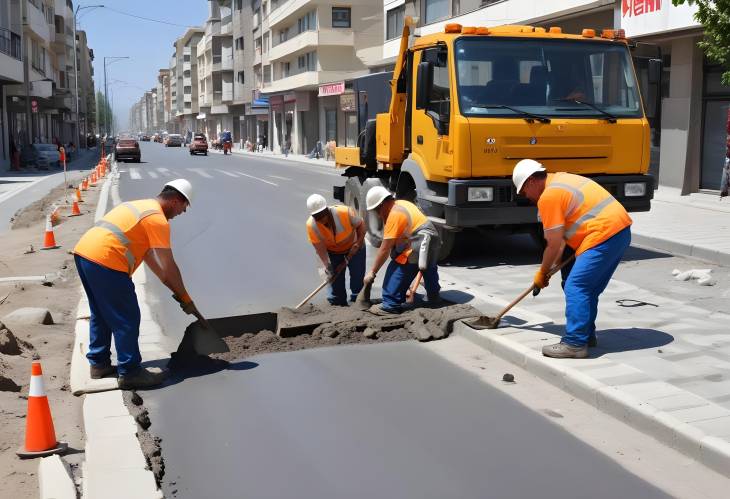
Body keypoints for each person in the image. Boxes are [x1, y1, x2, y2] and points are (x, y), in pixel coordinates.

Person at [73, 179, 204, 388]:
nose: (183, 212)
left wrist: (180, 295)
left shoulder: (141, 206)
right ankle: (131, 371)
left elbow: (154, 263)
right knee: (127, 317)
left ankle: (99, 364)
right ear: (176, 200)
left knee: (101, 312)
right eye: (184, 206)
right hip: (107, 260)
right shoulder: (157, 219)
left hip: (85, 254)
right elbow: (169, 266)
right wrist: (186, 297)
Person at [513, 159, 632, 359]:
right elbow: (561, 244)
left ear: (531, 181)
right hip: (619, 232)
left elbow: (553, 244)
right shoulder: (561, 179)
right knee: (584, 286)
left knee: (576, 286)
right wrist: (548, 272)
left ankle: (575, 343)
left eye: (524, 192)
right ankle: (586, 335)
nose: (526, 197)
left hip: (603, 235)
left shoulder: (548, 197)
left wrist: (542, 272)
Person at [363, 186, 441, 315]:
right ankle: (434, 297)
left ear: (382, 204)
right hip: (432, 237)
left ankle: (390, 304)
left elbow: (384, 249)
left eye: (376, 209)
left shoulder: (394, 214)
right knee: (429, 269)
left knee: (398, 267)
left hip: (419, 240)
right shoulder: (401, 204)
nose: (377, 213)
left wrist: (372, 272)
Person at [306, 194, 366, 306]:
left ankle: (357, 302)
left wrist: (358, 243)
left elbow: (361, 225)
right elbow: (320, 250)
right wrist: (328, 266)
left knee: (357, 279)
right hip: (332, 253)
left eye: (322, 215)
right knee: (333, 281)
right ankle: (337, 303)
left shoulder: (345, 212)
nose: (321, 219)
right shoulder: (311, 225)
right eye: (316, 217)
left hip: (354, 247)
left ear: (327, 209)